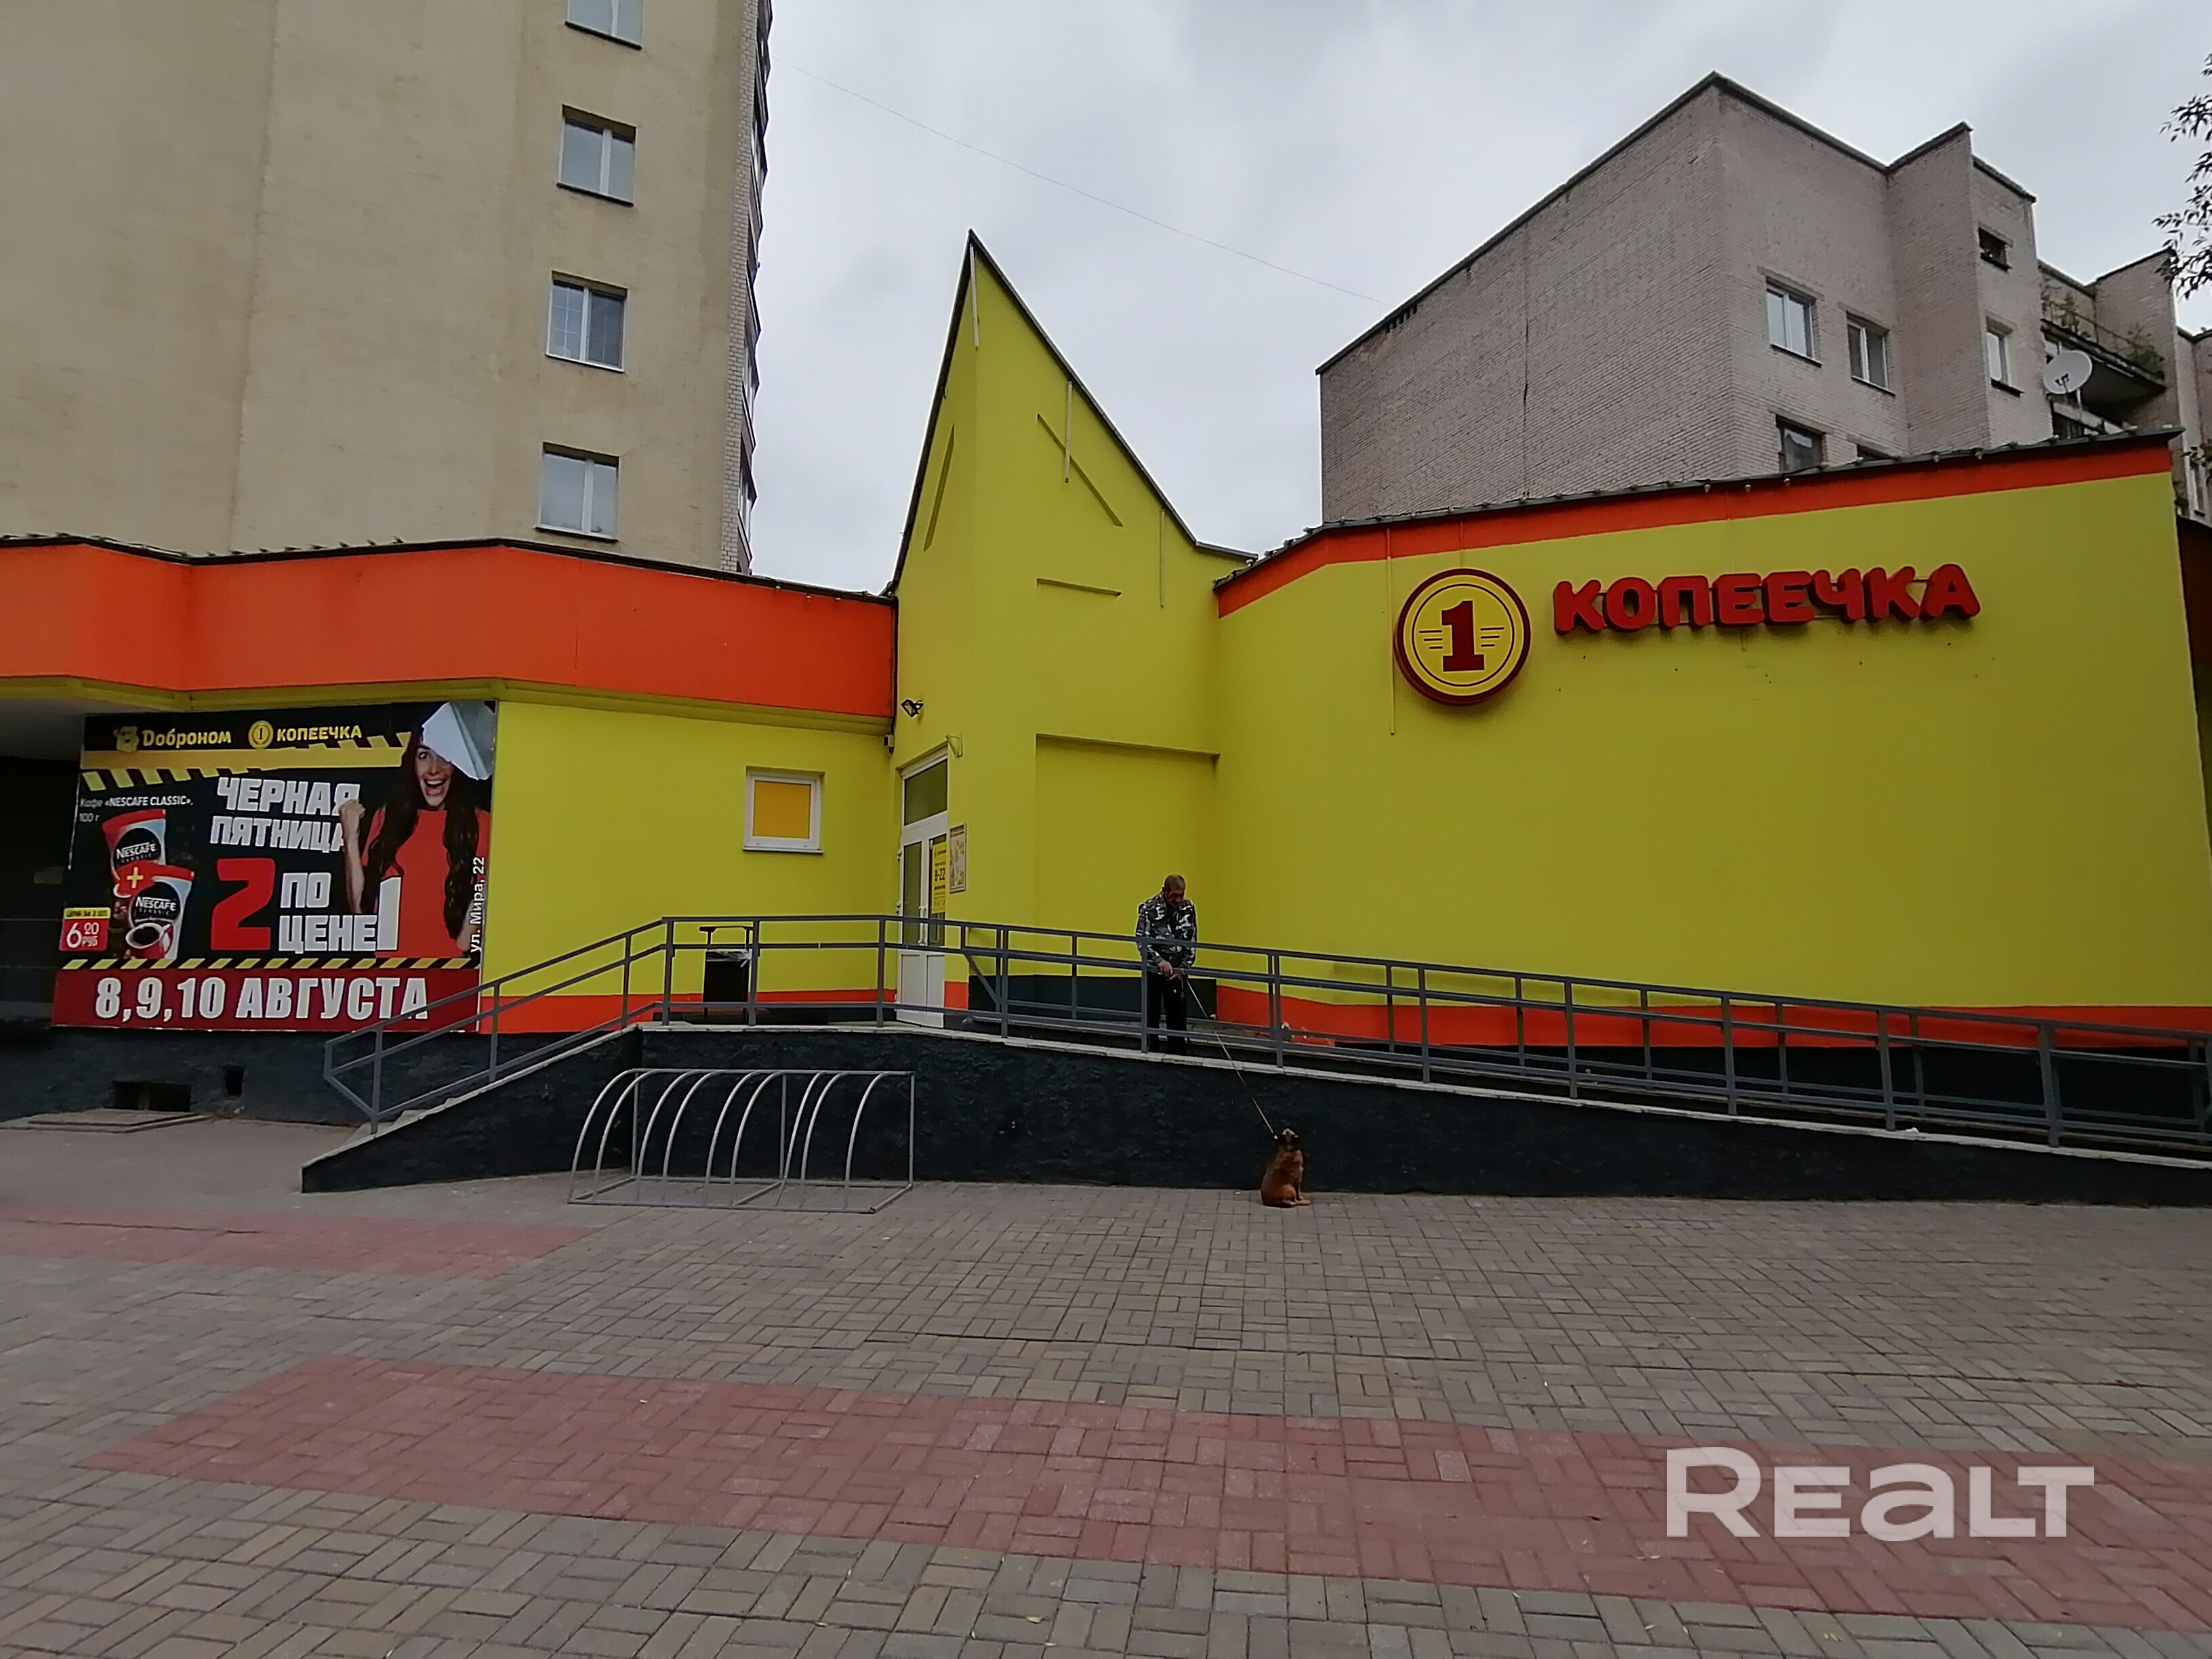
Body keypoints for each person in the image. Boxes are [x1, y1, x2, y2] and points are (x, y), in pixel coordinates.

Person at [339, 731, 491, 959]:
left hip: (448, 968)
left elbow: (483, 894)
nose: (433, 769)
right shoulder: (387, 818)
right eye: (423, 756)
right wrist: (350, 838)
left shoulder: (481, 823)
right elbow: (361, 912)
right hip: (390, 968)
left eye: (445, 756)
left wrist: (460, 951)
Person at [1136, 874, 1197, 1052]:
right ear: (1165, 891)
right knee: (1152, 1013)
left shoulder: (1188, 908)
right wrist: (1159, 961)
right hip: (1155, 971)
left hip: (1178, 971)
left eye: (1181, 895)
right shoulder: (1149, 908)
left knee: (1177, 1014)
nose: (1178, 900)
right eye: (1174, 895)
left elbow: (1192, 940)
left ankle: (1178, 1051)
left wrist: (1184, 968)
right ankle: (1151, 1050)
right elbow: (1141, 940)